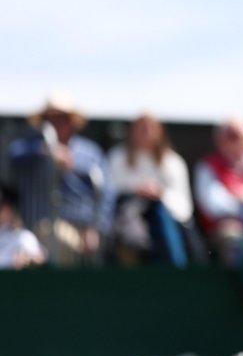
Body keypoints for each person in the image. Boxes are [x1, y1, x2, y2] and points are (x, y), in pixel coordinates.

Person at [7, 91, 115, 266]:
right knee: (44, 240)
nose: (55, 124)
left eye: (62, 119)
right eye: (49, 119)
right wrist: (46, 151)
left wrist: (96, 228)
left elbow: (107, 194)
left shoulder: (90, 152)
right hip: (38, 226)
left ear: (72, 122)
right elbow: (13, 155)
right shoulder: (29, 146)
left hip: (83, 228)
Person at [107, 114, 196, 267]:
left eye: (150, 128)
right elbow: (109, 196)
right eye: (141, 128)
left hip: (167, 222)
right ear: (131, 131)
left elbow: (185, 209)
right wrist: (136, 191)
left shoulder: (174, 162)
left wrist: (160, 194)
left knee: (161, 216)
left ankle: (176, 274)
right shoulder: (116, 157)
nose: (146, 133)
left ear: (160, 132)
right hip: (126, 219)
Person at [193, 116, 243, 262]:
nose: (234, 142)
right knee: (232, 234)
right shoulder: (207, 166)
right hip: (224, 232)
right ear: (219, 141)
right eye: (229, 137)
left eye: (237, 136)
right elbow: (214, 207)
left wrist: (240, 196)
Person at [0, 184, 47, 269]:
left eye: (1, 208)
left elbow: (38, 257)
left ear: (11, 210)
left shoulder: (23, 236)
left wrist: (27, 259)